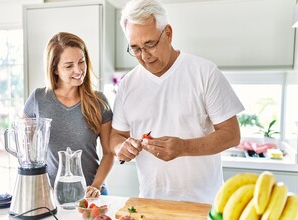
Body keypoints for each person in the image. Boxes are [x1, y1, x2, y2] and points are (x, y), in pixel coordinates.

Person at [110, 0, 245, 204]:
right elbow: (116, 136)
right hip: (151, 204)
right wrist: (121, 148)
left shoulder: (204, 73)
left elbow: (232, 135)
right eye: (135, 49)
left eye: (150, 44)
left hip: (205, 204)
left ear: (169, 33)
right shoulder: (127, 85)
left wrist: (183, 147)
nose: (145, 56)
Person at [24, 32, 114, 198]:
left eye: (81, 61)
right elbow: (25, 145)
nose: (78, 70)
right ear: (55, 69)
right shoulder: (38, 99)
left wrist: (95, 186)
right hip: (51, 194)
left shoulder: (99, 101)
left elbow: (109, 153)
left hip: (92, 193)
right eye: (69, 66)